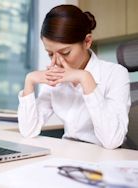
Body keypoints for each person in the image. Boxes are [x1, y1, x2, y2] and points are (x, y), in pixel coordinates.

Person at [17, 5, 131, 149]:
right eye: (50, 54)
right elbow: (28, 130)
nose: (56, 61)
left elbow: (112, 141)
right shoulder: (56, 76)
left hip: (106, 157)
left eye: (65, 53)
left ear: (87, 41)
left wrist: (85, 78)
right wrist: (29, 81)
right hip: (70, 154)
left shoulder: (115, 74)